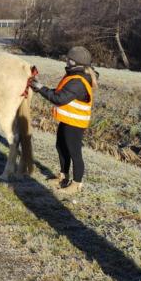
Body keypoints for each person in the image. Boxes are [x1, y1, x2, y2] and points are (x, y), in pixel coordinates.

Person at [31, 46, 98, 194]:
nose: (66, 61)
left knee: (74, 153)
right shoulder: (74, 76)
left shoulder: (78, 81)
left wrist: (41, 87)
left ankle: (76, 184)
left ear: (74, 62)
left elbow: (59, 98)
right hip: (67, 120)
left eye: (68, 59)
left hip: (75, 123)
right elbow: (61, 93)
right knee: (61, 147)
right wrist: (40, 88)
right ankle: (63, 177)